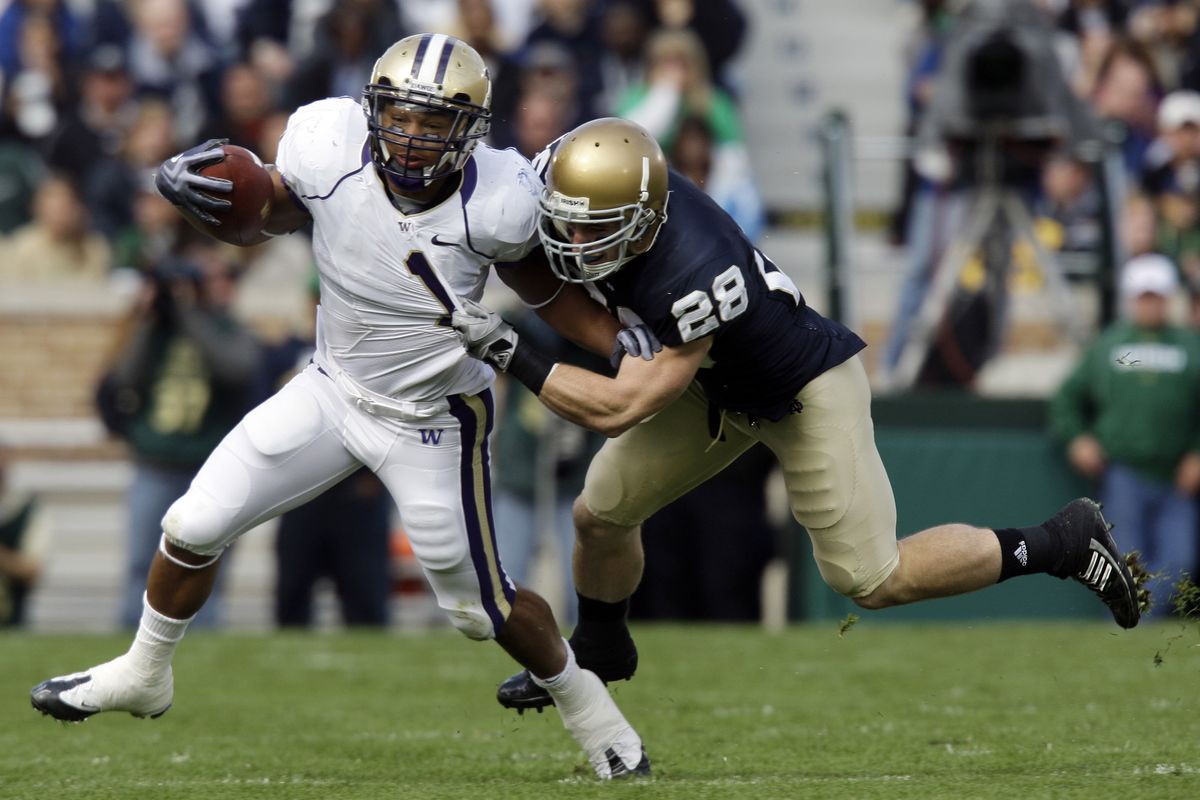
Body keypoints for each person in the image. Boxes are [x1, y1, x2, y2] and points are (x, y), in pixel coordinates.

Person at [31, 34, 650, 781]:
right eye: (399, 116)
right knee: (191, 525)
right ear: (371, 109)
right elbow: (273, 210)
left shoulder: (501, 199)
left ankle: (594, 715)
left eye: (433, 121)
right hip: (331, 388)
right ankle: (143, 671)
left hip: (433, 418)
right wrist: (209, 194)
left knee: (476, 607)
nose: (410, 136)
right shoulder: (327, 143)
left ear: (470, 131)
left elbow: (544, 289)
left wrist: (616, 338)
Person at [448, 117, 1145, 714]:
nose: (573, 239)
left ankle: (1059, 542)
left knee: (871, 578)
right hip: (713, 385)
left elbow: (621, 405)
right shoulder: (574, 179)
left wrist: (508, 349)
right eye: (566, 220)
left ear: (644, 219)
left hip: (800, 386)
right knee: (598, 515)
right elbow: (529, 267)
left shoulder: (695, 266)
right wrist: (606, 335)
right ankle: (601, 649)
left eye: (595, 228)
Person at [99, 240, 262, 629]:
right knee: (142, 562)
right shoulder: (155, 329)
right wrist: (150, 317)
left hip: (212, 469)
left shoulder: (227, 328)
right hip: (155, 464)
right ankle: (132, 641)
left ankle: (202, 643)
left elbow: (236, 369)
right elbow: (125, 379)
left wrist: (189, 313)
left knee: (204, 567)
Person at [1050, 253, 1200, 616]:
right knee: (1126, 563)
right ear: (1132, 299)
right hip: (1123, 472)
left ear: (1168, 298)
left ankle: (1136, 622)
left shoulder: (1189, 346)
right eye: (1144, 296)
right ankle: (1134, 628)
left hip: (1176, 477)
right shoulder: (1111, 346)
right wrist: (1076, 437)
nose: (1150, 304)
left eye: (1156, 296)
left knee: (1180, 560)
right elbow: (1067, 398)